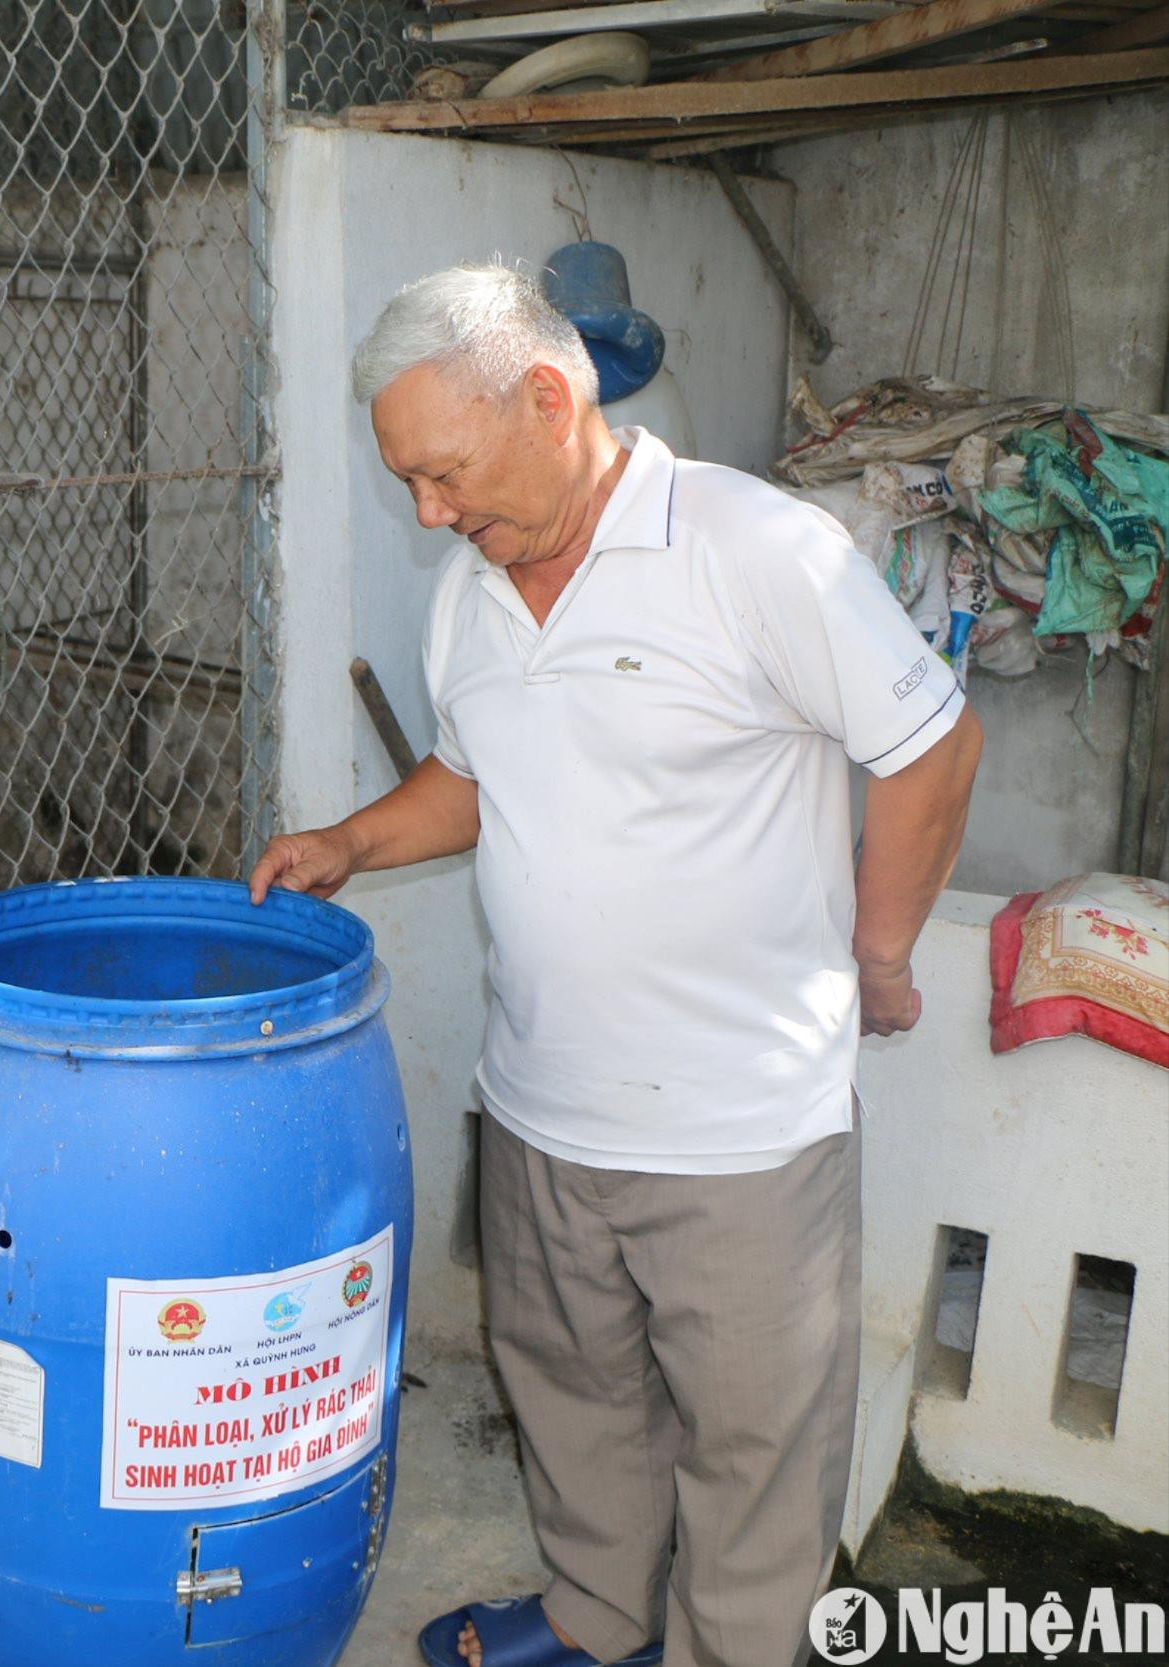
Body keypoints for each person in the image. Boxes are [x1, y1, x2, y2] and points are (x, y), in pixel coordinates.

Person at [248, 264, 981, 1667]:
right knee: (574, 1400)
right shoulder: (471, 597)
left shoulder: (755, 549)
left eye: (444, 474)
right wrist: (351, 839)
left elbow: (933, 745)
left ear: (546, 397)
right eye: (408, 484)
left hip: (741, 1134)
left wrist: (880, 947)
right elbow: (476, 777)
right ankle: (596, 1617)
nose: (429, 513)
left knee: (751, 1449)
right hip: (541, 1105)